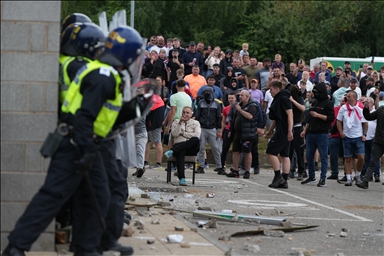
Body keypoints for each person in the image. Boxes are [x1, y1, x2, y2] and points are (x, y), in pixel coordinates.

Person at [3, 26, 151, 256]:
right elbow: (84, 117)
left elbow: (102, 116)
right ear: (126, 55)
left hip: (81, 144)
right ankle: (15, 247)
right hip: (77, 145)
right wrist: (87, 152)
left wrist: (133, 109)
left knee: (93, 199)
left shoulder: (100, 70)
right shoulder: (103, 76)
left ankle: (86, 248)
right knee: (54, 197)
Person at [300, 82, 334, 187]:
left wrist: (318, 115)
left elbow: (330, 118)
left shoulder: (328, 103)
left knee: (323, 157)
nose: (315, 94)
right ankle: (311, 176)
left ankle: (323, 178)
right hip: (311, 133)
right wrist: (305, 130)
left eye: (317, 92)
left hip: (322, 133)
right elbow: (309, 119)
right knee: (309, 155)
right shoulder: (314, 102)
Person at [264, 81, 293, 188]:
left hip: (284, 130)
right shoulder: (278, 99)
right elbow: (277, 118)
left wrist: (290, 131)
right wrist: (270, 130)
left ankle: (278, 176)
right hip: (281, 129)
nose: (270, 92)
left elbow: (290, 115)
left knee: (271, 151)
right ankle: (284, 181)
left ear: (277, 89)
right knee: (284, 155)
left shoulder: (284, 98)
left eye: (271, 89)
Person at [226, 90, 260, 179]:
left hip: (247, 133)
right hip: (237, 132)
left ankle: (247, 171)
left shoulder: (252, 105)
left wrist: (240, 110)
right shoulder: (239, 105)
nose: (240, 97)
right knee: (235, 151)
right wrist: (231, 130)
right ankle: (235, 170)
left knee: (247, 151)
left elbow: (250, 116)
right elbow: (234, 118)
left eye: (242, 95)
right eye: (240, 95)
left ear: (247, 97)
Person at [164, 106, 201, 185]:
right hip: (180, 145)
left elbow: (197, 135)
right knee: (180, 151)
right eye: (184, 112)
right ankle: (182, 178)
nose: (185, 114)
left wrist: (183, 133)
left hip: (191, 148)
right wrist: (180, 123)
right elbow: (174, 134)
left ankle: (172, 151)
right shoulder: (176, 122)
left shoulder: (196, 123)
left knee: (196, 140)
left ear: (191, 114)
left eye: (187, 113)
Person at [337, 90, 367, 186]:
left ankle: (358, 174)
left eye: (349, 96)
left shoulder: (360, 108)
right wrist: (341, 132)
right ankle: (349, 178)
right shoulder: (343, 108)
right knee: (348, 158)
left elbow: (365, 123)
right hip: (347, 136)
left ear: (354, 98)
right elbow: (339, 121)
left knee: (361, 157)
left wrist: (364, 134)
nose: (347, 98)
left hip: (358, 136)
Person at [194, 87, 224, 174]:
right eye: (205, 92)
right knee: (201, 148)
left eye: (208, 92)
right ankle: (201, 166)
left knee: (215, 148)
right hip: (202, 128)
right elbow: (198, 115)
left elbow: (219, 117)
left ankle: (219, 166)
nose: (206, 93)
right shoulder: (201, 103)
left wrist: (218, 129)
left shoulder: (217, 104)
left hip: (212, 129)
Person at [357, 95, 384, 189]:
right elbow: (368, 117)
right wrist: (366, 107)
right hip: (378, 141)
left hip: (378, 139)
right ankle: (365, 182)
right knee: (372, 161)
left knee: (372, 161)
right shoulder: (380, 110)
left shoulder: (380, 109)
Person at [360, 96, 381, 182]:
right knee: (368, 157)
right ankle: (368, 176)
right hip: (365, 138)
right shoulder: (364, 112)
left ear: (372, 103)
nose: (365, 103)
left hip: (374, 138)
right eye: (364, 102)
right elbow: (365, 119)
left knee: (375, 158)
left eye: (367, 102)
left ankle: (376, 174)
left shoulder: (376, 111)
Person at [144, 94, 166, 171]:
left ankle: (159, 163)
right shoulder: (152, 95)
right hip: (151, 117)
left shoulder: (150, 97)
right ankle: (145, 162)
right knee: (147, 140)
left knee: (157, 142)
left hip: (154, 118)